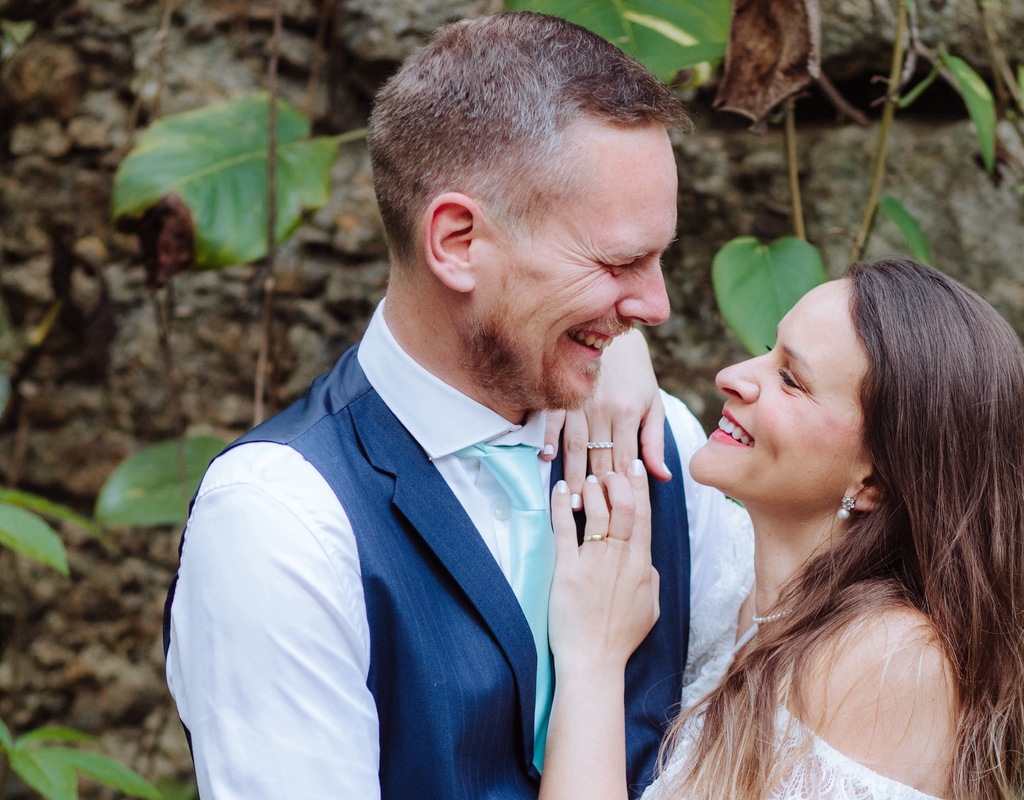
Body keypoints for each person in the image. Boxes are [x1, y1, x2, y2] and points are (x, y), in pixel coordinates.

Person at [162, 12, 735, 799]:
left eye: (659, 258)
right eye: (620, 260)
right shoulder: (279, 521)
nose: (657, 306)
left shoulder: (660, 440)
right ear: (459, 241)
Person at [541, 257, 1024, 800]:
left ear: (873, 479)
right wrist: (615, 350)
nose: (731, 377)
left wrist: (592, 661)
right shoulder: (742, 578)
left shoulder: (889, 659)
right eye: (767, 350)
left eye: (790, 380)